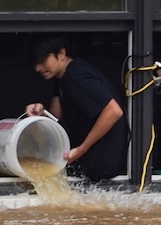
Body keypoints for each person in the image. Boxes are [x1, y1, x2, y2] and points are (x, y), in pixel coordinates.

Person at [26, 37, 128, 182]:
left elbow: (114, 111)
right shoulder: (61, 77)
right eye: (35, 64)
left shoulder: (77, 75)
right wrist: (40, 111)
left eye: (42, 61)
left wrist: (81, 150)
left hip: (101, 163)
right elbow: (55, 117)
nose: (38, 68)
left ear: (61, 54)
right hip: (87, 159)